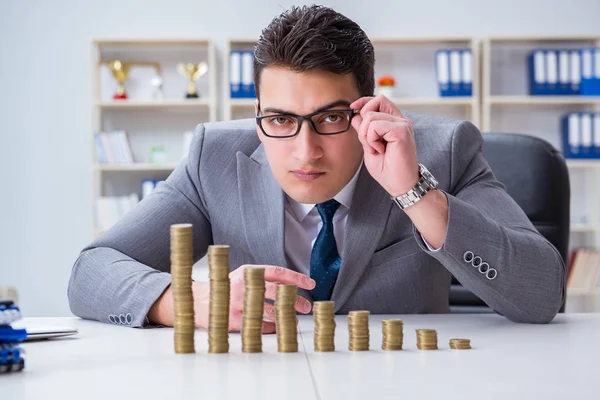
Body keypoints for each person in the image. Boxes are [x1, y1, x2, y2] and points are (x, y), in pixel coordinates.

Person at [68, 5, 566, 330]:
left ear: (367, 108)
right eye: (281, 119)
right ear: (257, 116)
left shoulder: (442, 151)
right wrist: (191, 301)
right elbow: (90, 272)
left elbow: (543, 295)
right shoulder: (213, 158)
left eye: (331, 117)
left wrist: (415, 192)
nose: (305, 151)